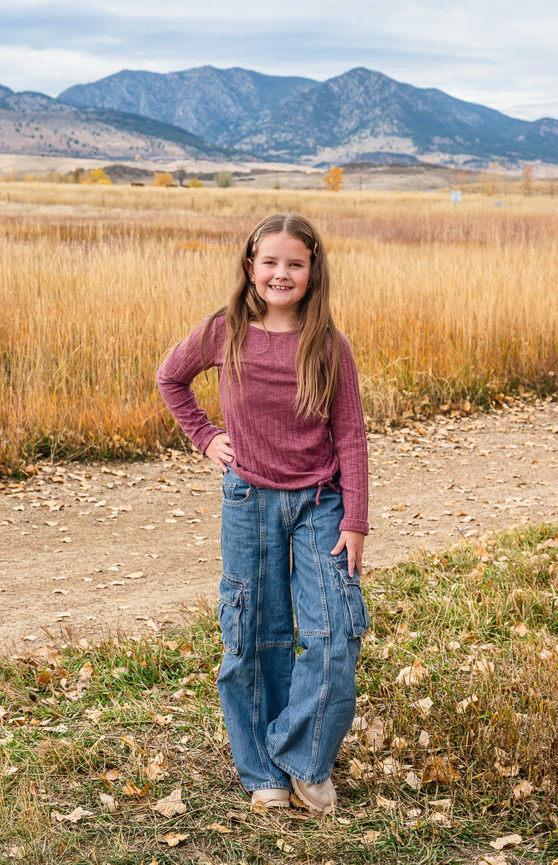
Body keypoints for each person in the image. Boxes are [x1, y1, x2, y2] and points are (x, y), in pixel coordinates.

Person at [157, 212, 369, 813]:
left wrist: (355, 519)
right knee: (252, 635)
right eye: (269, 262)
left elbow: (350, 435)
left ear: (312, 271)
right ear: (250, 268)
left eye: (294, 263)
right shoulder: (224, 331)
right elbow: (171, 378)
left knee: (334, 633)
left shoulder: (328, 345)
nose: (281, 273)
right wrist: (204, 437)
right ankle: (263, 773)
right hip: (249, 500)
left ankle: (302, 757)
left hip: (321, 504)